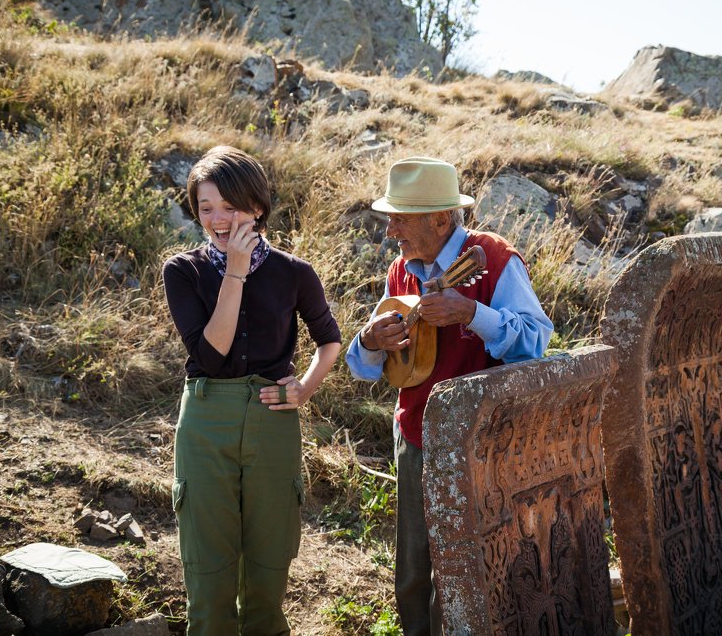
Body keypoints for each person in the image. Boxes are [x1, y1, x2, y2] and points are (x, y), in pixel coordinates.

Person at [346, 156, 552, 635]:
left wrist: (471, 314)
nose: (390, 230)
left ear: (440, 219)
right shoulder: (400, 271)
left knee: (472, 566)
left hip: (485, 442)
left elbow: (535, 342)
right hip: (416, 436)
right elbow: (365, 365)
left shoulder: (494, 259)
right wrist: (371, 340)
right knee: (413, 570)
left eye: (400, 218)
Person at [162, 145, 343, 636]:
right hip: (206, 421)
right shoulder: (182, 271)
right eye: (205, 208)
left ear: (257, 207)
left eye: (230, 206)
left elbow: (329, 341)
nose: (218, 220)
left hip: (273, 419)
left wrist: (304, 389)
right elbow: (211, 354)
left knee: (269, 559)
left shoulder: (294, 272)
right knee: (208, 562)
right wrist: (236, 270)